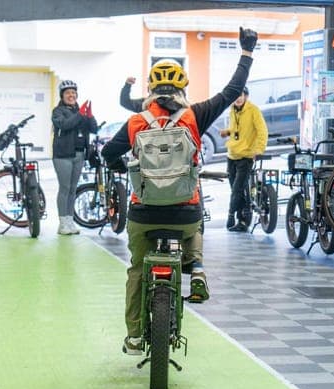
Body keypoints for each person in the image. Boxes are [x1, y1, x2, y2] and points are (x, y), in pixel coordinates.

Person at [102, 27, 259, 356]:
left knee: (136, 268)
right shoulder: (195, 115)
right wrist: (246, 52)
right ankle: (196, 268)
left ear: (150, 88)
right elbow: (231, 91)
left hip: (143, 212)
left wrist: (121, 167)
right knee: (196, 213)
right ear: (182, 87)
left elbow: (107, 154)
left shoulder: (136, 122)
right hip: (184, 212)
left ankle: (133, 336)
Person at [52, 80, 98, 235]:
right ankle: (62, 223)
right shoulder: (57, 111)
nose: (71, 95)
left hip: (79, 154)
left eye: (73, 93)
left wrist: (90, 116)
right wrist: (80, 114)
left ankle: (70, 221)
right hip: (63, 155)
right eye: (67, 93)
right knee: (64, 188)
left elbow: (94, 129)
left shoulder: (82, 112)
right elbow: (65, 125)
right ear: (62, 96)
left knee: (72, 189)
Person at [219, 87, 267, 232]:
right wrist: (227, 132)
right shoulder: (233, 110)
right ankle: (243, 220)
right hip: (232, 155)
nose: (238, 98)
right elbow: (236, 130)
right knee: (237, 190)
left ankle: (232, 215)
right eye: (235, 96)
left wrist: (259, 150)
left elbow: (262, 131)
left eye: (241, 95)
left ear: (245, 96)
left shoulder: (253, 110)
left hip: (246, 156)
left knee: (237, 189)